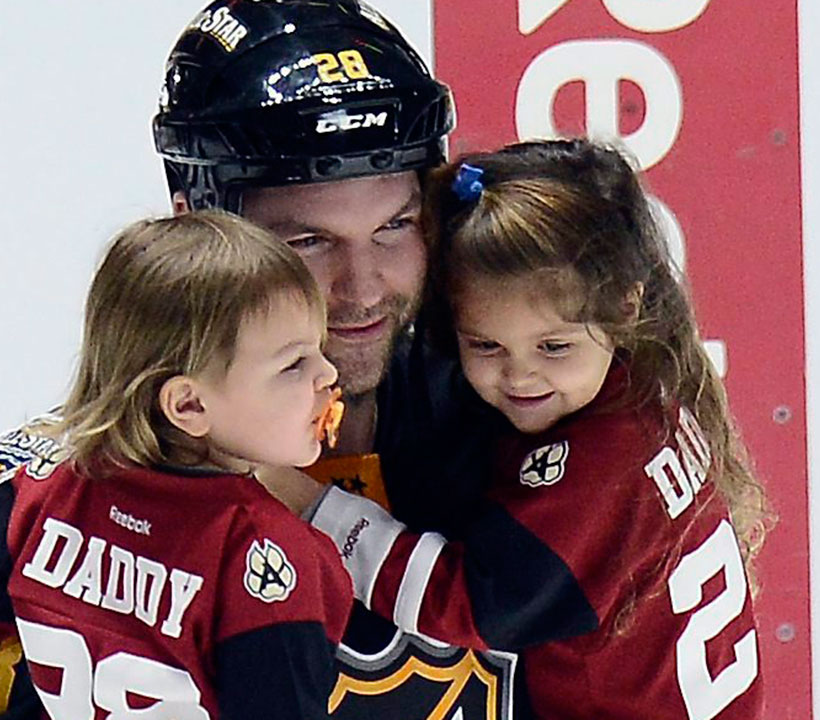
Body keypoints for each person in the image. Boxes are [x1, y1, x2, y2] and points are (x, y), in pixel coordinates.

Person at [0, 2, 514, 719]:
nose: (362, 291)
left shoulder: (528, 423)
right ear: (199, 235)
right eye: (306, 244)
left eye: (394, 228)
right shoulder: (86, 490)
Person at [269, 138, 771, 719]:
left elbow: (468, 606)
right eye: (485, 345)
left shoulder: (600, 467)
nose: (520, 375)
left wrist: (310, 501)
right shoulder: (645, 387)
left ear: (625, 306)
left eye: (553, 346)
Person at [0, 211, 352, 720]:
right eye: (294, 364)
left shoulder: (42, 491)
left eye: (318, 349)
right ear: (189, 406)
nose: (327, 373)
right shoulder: (266, 554)